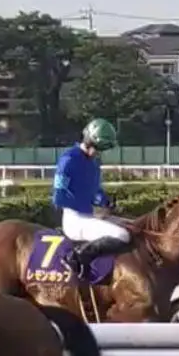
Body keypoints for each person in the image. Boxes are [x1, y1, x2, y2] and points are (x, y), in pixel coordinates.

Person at [52, 118, 132, 279]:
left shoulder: (93, 163)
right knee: (122, 235)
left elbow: (95, 191)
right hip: (75, 220)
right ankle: (77, 256)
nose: (98, 153)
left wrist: (106, 202)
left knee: (133, 227)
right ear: (88, 141)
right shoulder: (68, 160)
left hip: (90, 217)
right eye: (97, 148)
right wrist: (86, 206)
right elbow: (58, 197)